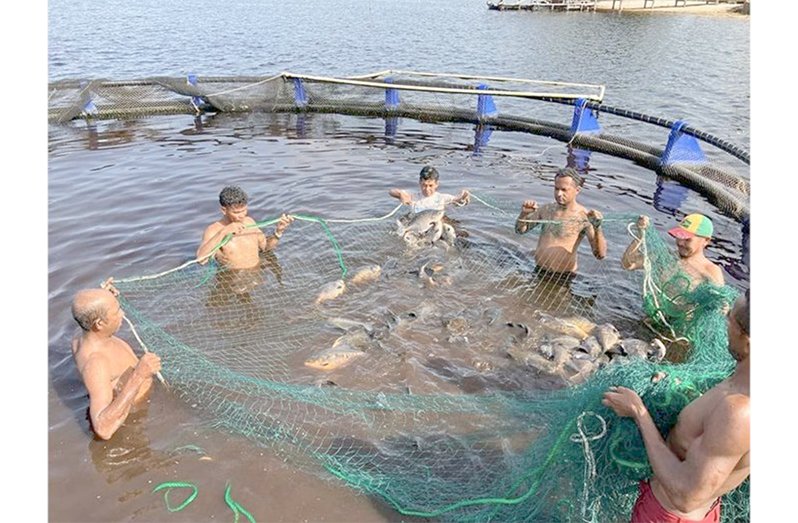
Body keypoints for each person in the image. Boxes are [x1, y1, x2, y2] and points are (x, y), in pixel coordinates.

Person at [602, 289, 750, 522]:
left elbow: (686, 496)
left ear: (748, 341)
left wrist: (639, 413)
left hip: (669, 516)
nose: (724, 324)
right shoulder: (741, 381)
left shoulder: (739, 411)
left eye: (730, 318)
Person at [71, 287, 162, 441]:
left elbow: (86, 313)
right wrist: (139, 376)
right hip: (134, 415)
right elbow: (103, 429)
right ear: (99, 324)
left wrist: (103, 298)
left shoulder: (81, 335)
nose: (123, 314)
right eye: (117, 311)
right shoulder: (96, 363)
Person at [514, 167, 606, 275]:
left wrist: (598, 227)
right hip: (539, 270)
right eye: (556, 189)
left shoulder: (584, 217)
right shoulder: (546, 209)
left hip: (563, 276)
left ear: (577, 190)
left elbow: (600, 255)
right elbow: (520, 230)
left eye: (564, 189)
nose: (559, 194)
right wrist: (524, 214)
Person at [197, 185, 294, 270]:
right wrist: (223, 232)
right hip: (233, 281)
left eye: (244, 210)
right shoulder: (214, 230)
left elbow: (266, 248)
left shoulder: (249, 222)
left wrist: (278, 232)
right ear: (224, 210)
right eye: (236, 212)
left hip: (257, 277)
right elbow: (201, 260)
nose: (241, 215)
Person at [622, 213, 724, 289]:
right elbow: (628, 264)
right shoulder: (664, 257)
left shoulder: (710, 271)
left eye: (687, 239)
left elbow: (722, 308)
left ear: (706, 241)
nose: (680, 243)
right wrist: (640, 235)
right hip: (651, 317)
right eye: (679, 236)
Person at [389, 166, 470, 213]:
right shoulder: (413, 196)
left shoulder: (442, 198)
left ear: (436, 184)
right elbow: (391, 192)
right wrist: (400, 194)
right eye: (424, 185)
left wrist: (463, 197)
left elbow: (457, 200)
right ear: (420, 183)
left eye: (430, 185)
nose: (427, 189)